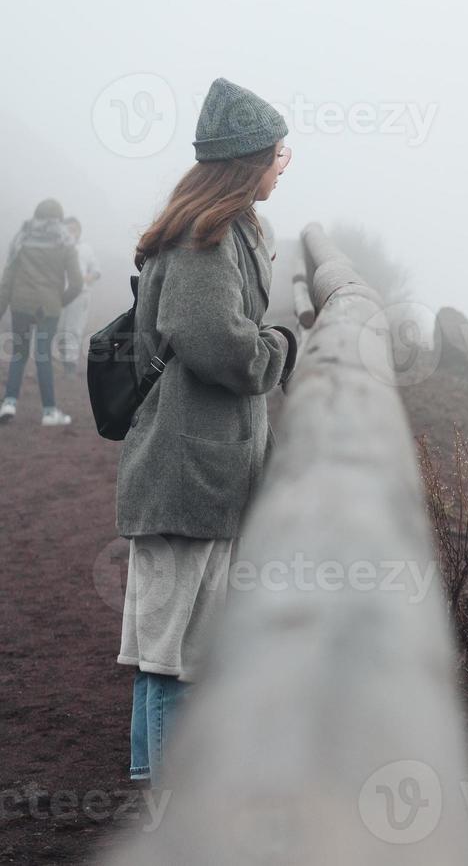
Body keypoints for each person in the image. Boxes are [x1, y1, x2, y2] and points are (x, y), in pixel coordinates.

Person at [114, 77, 297, 784]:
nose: (285, 165)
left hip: (207, 469)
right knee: (174, 658)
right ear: (249, 160)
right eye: (280, 153)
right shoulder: (202, 240)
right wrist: (280, 347)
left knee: (170, 649)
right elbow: (219, 345)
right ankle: (173, 814)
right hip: (183, 472)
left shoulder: (239, 228)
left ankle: (149, 785)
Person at [0, 199, 84, 426]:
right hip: (48, 308)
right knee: (43, 355)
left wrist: (2, 306)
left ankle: (8, 402)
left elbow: (8, 275)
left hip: (21, 305)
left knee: (18, 353)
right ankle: (49, 412)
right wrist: (59, 302)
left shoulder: (23, 237)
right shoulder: (65, 241)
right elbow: (77, 283)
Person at [57, 216, 101, 376]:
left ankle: (70, 364)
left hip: (80, 293)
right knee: (59, 329)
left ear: (79, 231)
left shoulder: (86, 248)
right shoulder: (58, 247)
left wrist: (88, 278)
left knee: (73, 329)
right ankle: (64, 358)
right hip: (59, 294)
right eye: (68, 229)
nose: (71, 232)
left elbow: (96, 270)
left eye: (74, 229)